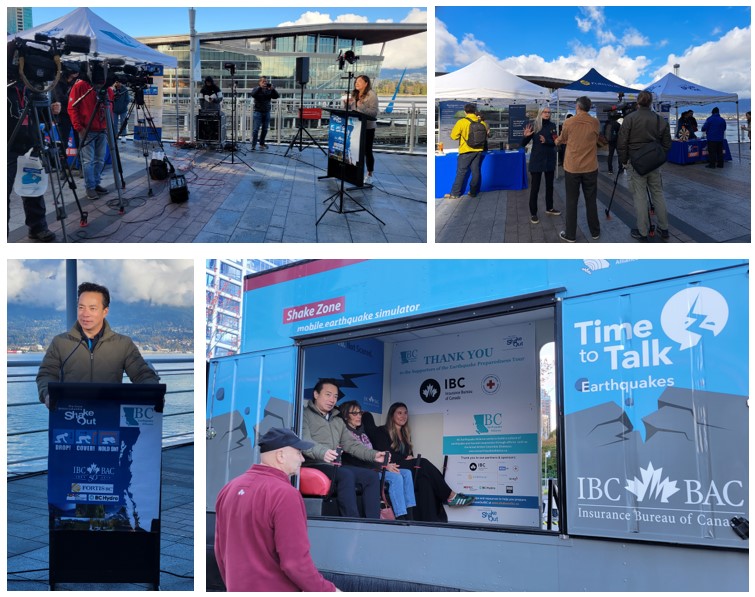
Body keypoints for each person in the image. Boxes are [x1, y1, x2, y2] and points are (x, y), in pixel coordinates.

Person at [214, 428, 338, 592]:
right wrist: (329, 591)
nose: (302, 458)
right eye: (299, 452)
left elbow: (220, 549)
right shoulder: (286, 495)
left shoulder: (229, 488)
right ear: (281, 455)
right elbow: (295, 563)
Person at [36, 282, 159, 408]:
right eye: (81, 307)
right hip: (71, 415)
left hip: (109, 417)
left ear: (105, 311)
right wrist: (47, 394)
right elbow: (46, 373)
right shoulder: (60, 342)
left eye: (92, 308)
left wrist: (154, 393)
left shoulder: (123, 344)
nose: (85, 314)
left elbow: (142, 374)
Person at [369, 402, 474, 523]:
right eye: (399, 413)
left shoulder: (405, 434)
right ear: (392, 415)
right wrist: (405, 458)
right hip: (393, 466)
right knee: (423, 462)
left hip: (405, 467)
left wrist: (408, 458)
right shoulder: (382, 431)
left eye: (405, 413)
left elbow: (410, 456)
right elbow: (385, 455)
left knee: (425, 480)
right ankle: (450, 496)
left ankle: (431, 521)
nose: (403, 416)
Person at [302, 379, 387, 519]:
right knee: (346, 474)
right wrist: (323, 453)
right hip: (314, 463)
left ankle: (373, 522)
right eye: (328, 394)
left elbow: (351, 444)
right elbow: (305, 441)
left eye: (335, 396)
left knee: (371, 476)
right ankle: (351, 522)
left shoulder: (337, 420)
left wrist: (374, 455)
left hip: (334, 465)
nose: (332, 400)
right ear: (316, 394)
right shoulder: (304, 415)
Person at [338, 400, 416, 520]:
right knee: (396, 477)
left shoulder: (363, 433)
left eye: (360, 413)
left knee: (407, 473)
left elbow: (372, 455)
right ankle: (401, 517)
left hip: (374, 468)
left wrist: (385, 465)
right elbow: (358, 460)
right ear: (345, 416)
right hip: (363, 471)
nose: (359, 416)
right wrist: (384, 466)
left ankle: (410, 514)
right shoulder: (345, 434)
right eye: (355, 414)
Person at [617, 90, 672, 242]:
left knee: (640, 197)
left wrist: (624, 161)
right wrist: (658, 157)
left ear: (638, 102)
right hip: (654, 164)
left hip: (636, 164)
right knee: (658, 194)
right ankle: (664, 228)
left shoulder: (629, 119)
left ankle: (643, 231)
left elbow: (622, 143)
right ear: (651, 102)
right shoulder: (660, 120)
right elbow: (667, 144)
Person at [7, 80, 57, 242]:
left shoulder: (32, 90)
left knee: (33, 189)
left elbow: (43, 119)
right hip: (8, 147)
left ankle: (38, 228)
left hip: (31, 147)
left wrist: (51, 112)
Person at [555, 96, 601, 242]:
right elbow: (593, 138)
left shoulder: (569, 122)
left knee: (572, 201)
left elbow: (562, 139)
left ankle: (571, 235)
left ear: (577, 107)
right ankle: (595, 232)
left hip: (573, 167)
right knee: (591, 200)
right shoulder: (595, 122)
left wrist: (557, 140)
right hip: (590, 167)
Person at [68, 62, 113, 199]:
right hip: (86, 130)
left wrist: (108, 126)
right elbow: (72, 107)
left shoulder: (107, 88)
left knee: (99, 160)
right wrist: (79, 127)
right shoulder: (80, 86)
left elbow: (110, 106)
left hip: (102, 129)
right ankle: (90, 187)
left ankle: (95, 183)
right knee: (88, 161)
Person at [522, 106, 560, 223]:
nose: (547, 114)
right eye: (545, 112)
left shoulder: (553, 126)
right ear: (540, 113)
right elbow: (522, 144)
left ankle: (549, 207)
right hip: (537, 161)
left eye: (549, 112)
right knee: (535, 188)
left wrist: (547, 141)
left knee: (550, 186)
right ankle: (533, 213)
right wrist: (525, 136)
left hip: (549, 160)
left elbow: (555, 142)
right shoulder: (534, 125)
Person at [445, 103, 485, 199]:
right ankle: (473, 192)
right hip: (478, 150)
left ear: (465, 112)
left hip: (466, 151)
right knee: (476, 171)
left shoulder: (462, 122)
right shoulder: (481, 122)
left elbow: (453, 136)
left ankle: (455, 193)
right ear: (475, 111)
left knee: (461, 172)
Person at [344, 75, 379, 184]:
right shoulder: (355, 94)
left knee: (367, 151)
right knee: (354, 149)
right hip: (356, 125)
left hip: (367, 127)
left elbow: (374, 113)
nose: (356, 83)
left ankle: (369, 174)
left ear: (366, 83)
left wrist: (361, 106)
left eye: (359, 81)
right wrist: (348, 104)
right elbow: (354, 110)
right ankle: (355, 171)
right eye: (356, 81)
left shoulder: (371, 95)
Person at [52, 67, 79, 159]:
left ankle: (80, 162)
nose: (76, 75)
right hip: (63, 113)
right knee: (64, 138)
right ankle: (62, 160)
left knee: (79, 138)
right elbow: (59, 97)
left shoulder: (76, 82)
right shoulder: (58, 81)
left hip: (74, 113)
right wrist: (74, 101)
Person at [250, 76, 279, 151]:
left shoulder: (269, 90)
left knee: (265, 129)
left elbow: (277, 96)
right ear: (259, 82)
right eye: (263, 81)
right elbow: (253, 94)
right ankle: (253, 145)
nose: (265, 83)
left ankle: (262, 143)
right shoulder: (256, 89)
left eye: (265, 81)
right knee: (256, 129)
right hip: (258, 112)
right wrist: (260, 87)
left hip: (266, 112)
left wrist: (273, 90)